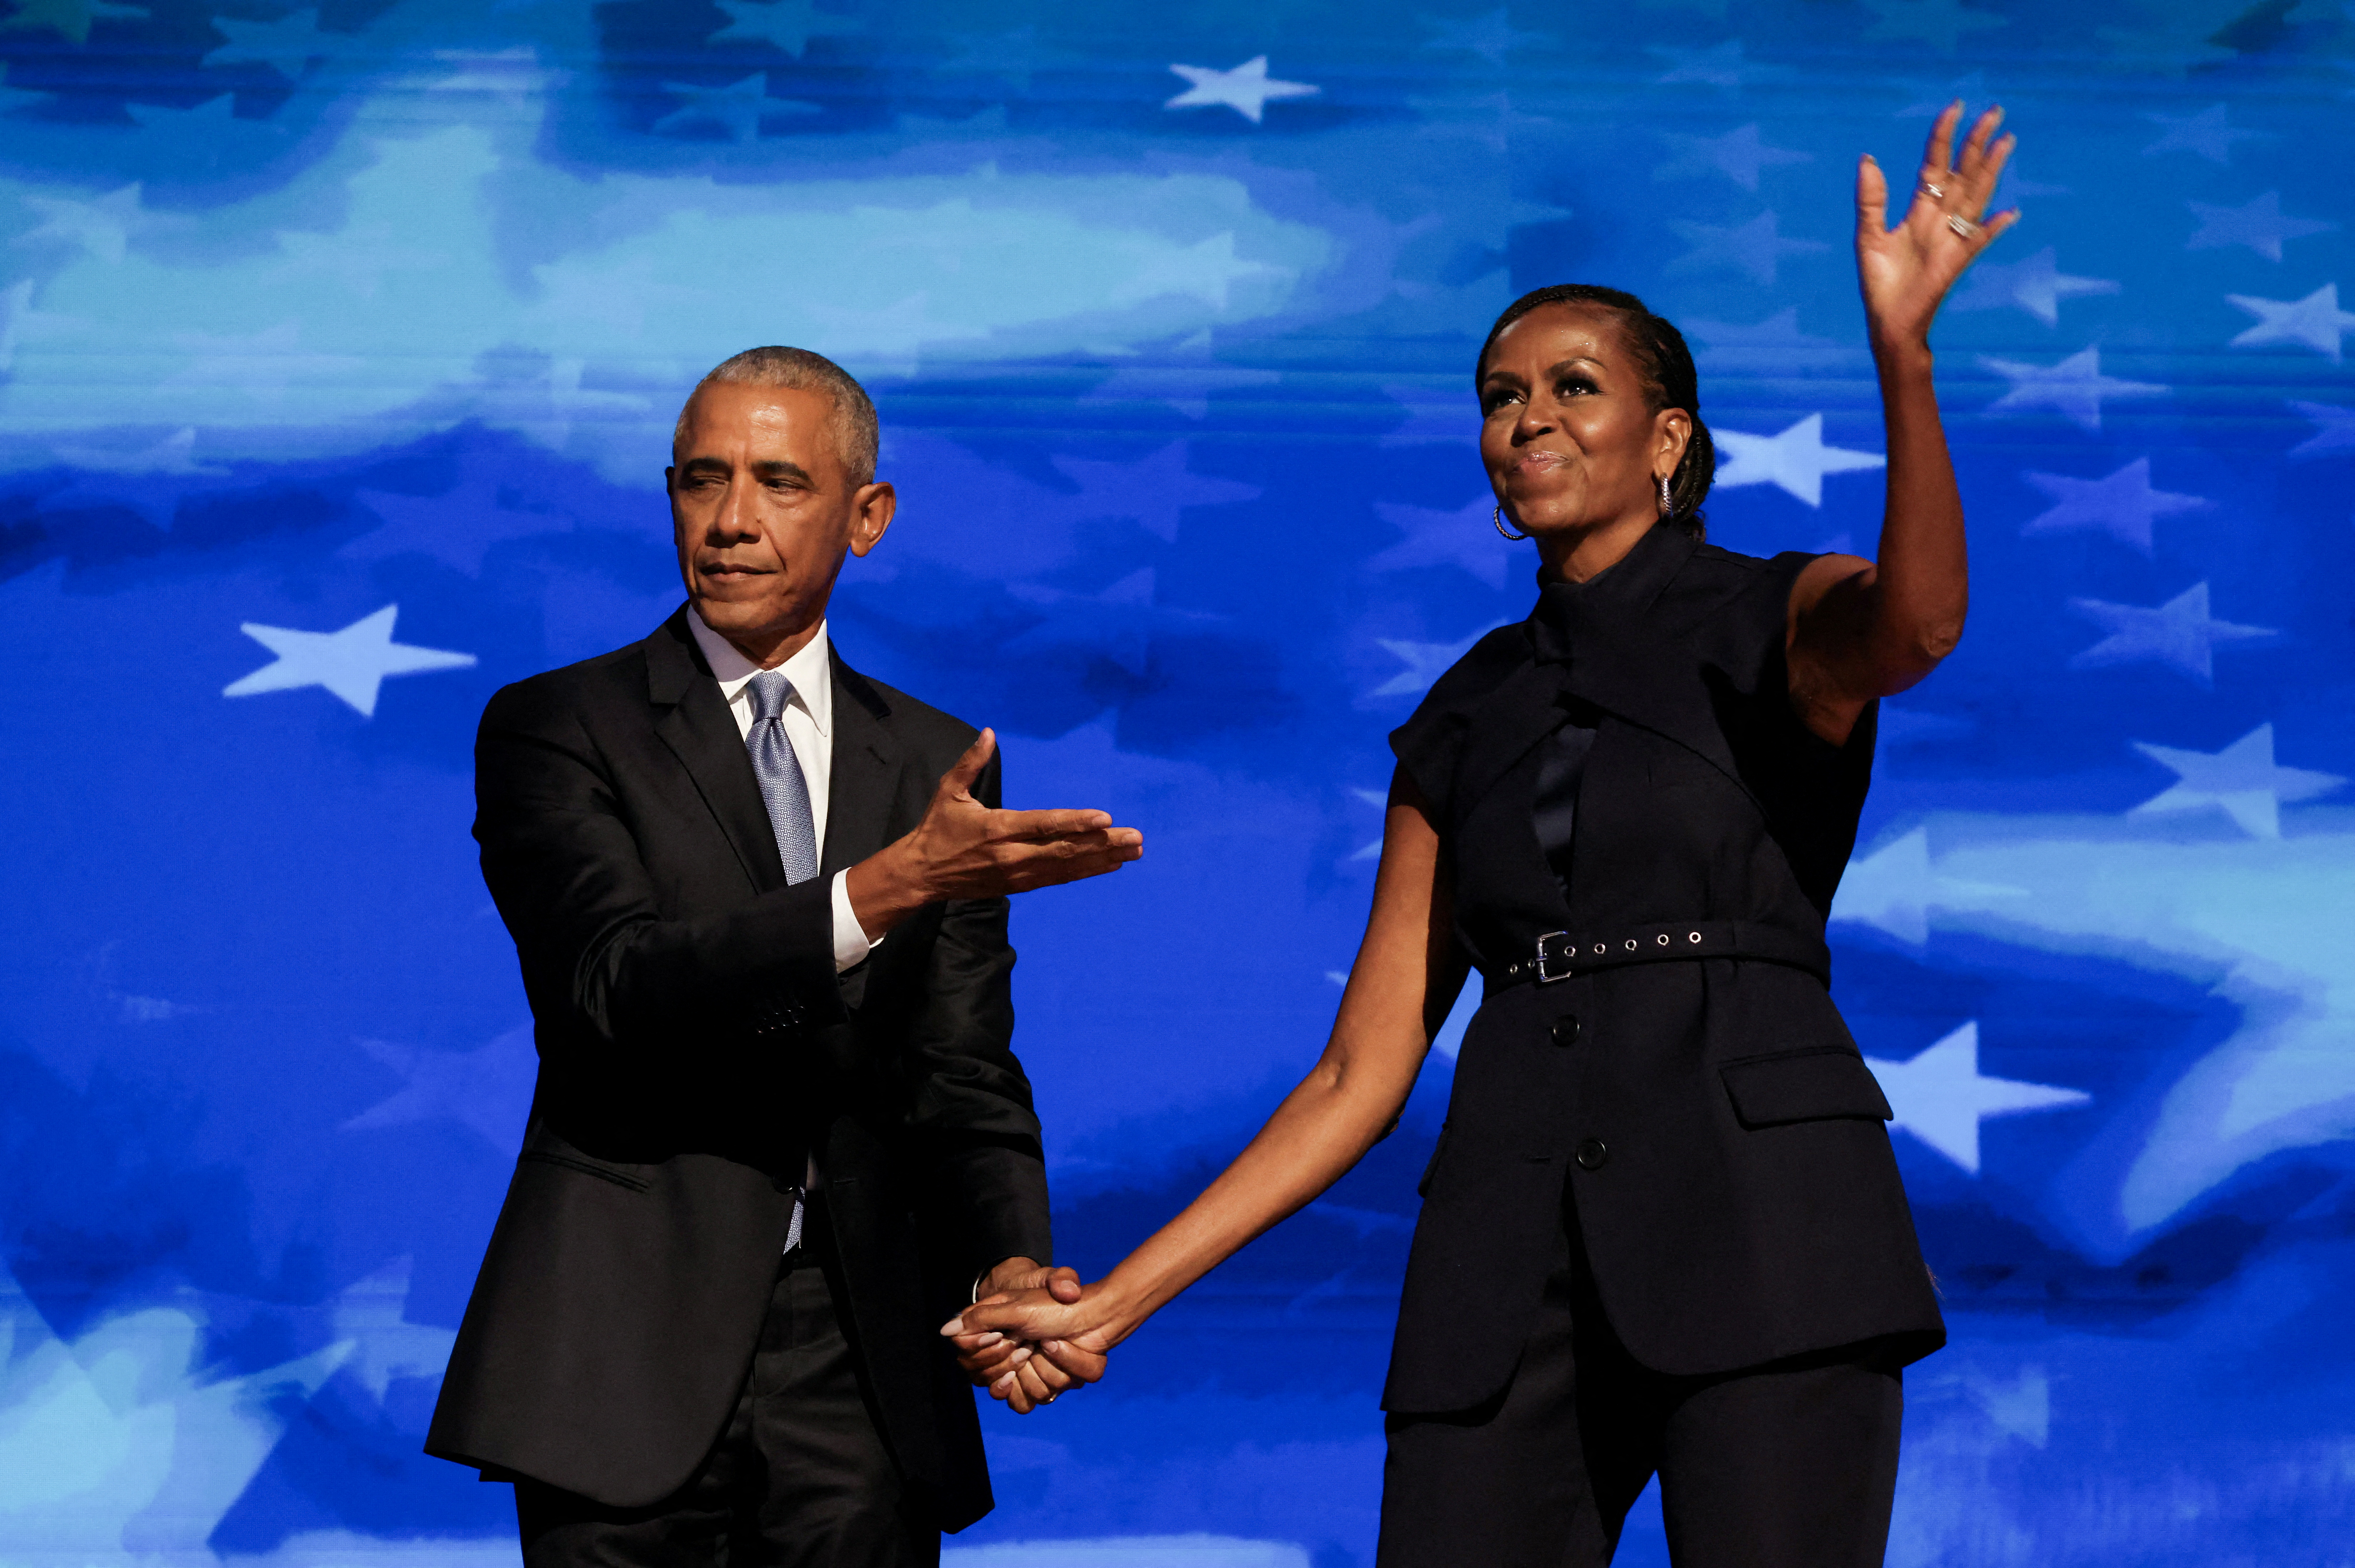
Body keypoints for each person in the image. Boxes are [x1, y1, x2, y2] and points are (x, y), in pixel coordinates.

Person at [952, 104, 2020, 1565]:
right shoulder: (1464, 710)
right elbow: (1357, 1073)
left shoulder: (1770, 611)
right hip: (1503, 1259)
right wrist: (1114, 1305)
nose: (1528, 419)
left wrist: (1903, 356)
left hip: (1767, 1228)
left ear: (1667, 438)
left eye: (1573, 386)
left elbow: (1920, 626)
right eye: (1499, 396)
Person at [425, 345, 1141, 1566]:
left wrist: (1009, 1262)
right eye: (702, 480)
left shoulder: (935, 761)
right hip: (622, 1351)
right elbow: (614, 987)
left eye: (779, 482)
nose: (731, 521)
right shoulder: (559, 724)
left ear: (867, 518)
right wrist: (893, 884)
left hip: (861, 1355)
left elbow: (960, 1066)